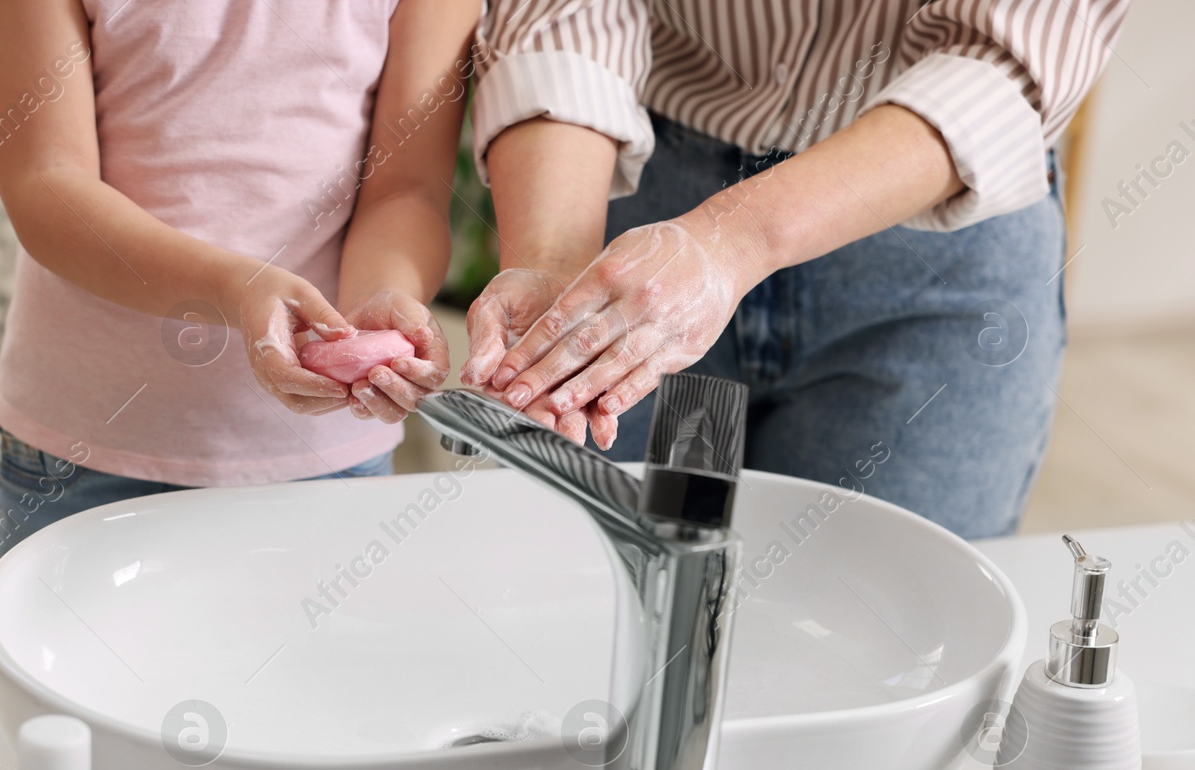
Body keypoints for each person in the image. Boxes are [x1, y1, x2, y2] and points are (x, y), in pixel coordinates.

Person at [460, 0, 1128, 538]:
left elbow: (1012, 53)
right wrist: (551, 260)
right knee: (592, 618)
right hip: (634, 207)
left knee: (885, 646)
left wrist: (732, 243)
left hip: (933, 230)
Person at [0, 0, 479, 563]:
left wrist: (378, 305)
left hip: (328, 457)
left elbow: (406, 190)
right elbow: (46, 183)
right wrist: (237, 290)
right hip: (88, 449)